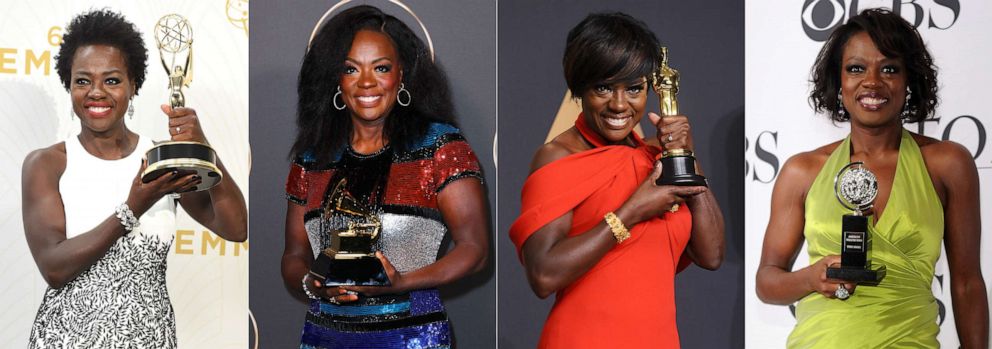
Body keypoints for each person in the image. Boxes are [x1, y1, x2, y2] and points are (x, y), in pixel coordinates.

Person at [755, 8, 988, 348]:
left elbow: (967, 283)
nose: (872, 82)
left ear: (909, 80)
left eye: (889, 68)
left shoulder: (948, 164)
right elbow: (766, 282)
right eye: (856, 68)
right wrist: (811, 277)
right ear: (839, 81)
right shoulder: (802, 171)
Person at [21, 9, 247, 348]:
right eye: (83, 80)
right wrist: (132, 209)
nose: (96, 92)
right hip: (66, 339)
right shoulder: (47, 164)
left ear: (133, 85)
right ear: (68, 86)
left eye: (111, 80)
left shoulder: (161, 161)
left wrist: (203, 147)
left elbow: (235, 228)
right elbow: (54, 268)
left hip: (150, 339)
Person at [508, 12, 725, 348]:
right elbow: (543, 275)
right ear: (580, 87)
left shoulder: (655, 157)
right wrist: (632, 211)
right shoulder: (558, 156)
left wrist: (684, 156)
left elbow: (710, 255)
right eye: (604, 87)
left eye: (634, 88)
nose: (620, 104)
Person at [281, 5, 488, 349]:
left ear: (401, 75)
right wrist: (311, 283)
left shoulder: (439, 146)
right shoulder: (312, 158)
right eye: (350, 69)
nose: (366, 82)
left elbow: (475, 250)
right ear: (337, 79)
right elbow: (293, 255)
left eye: (381, 68)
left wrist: (401, 281)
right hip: (324, 337)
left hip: (412, 337)